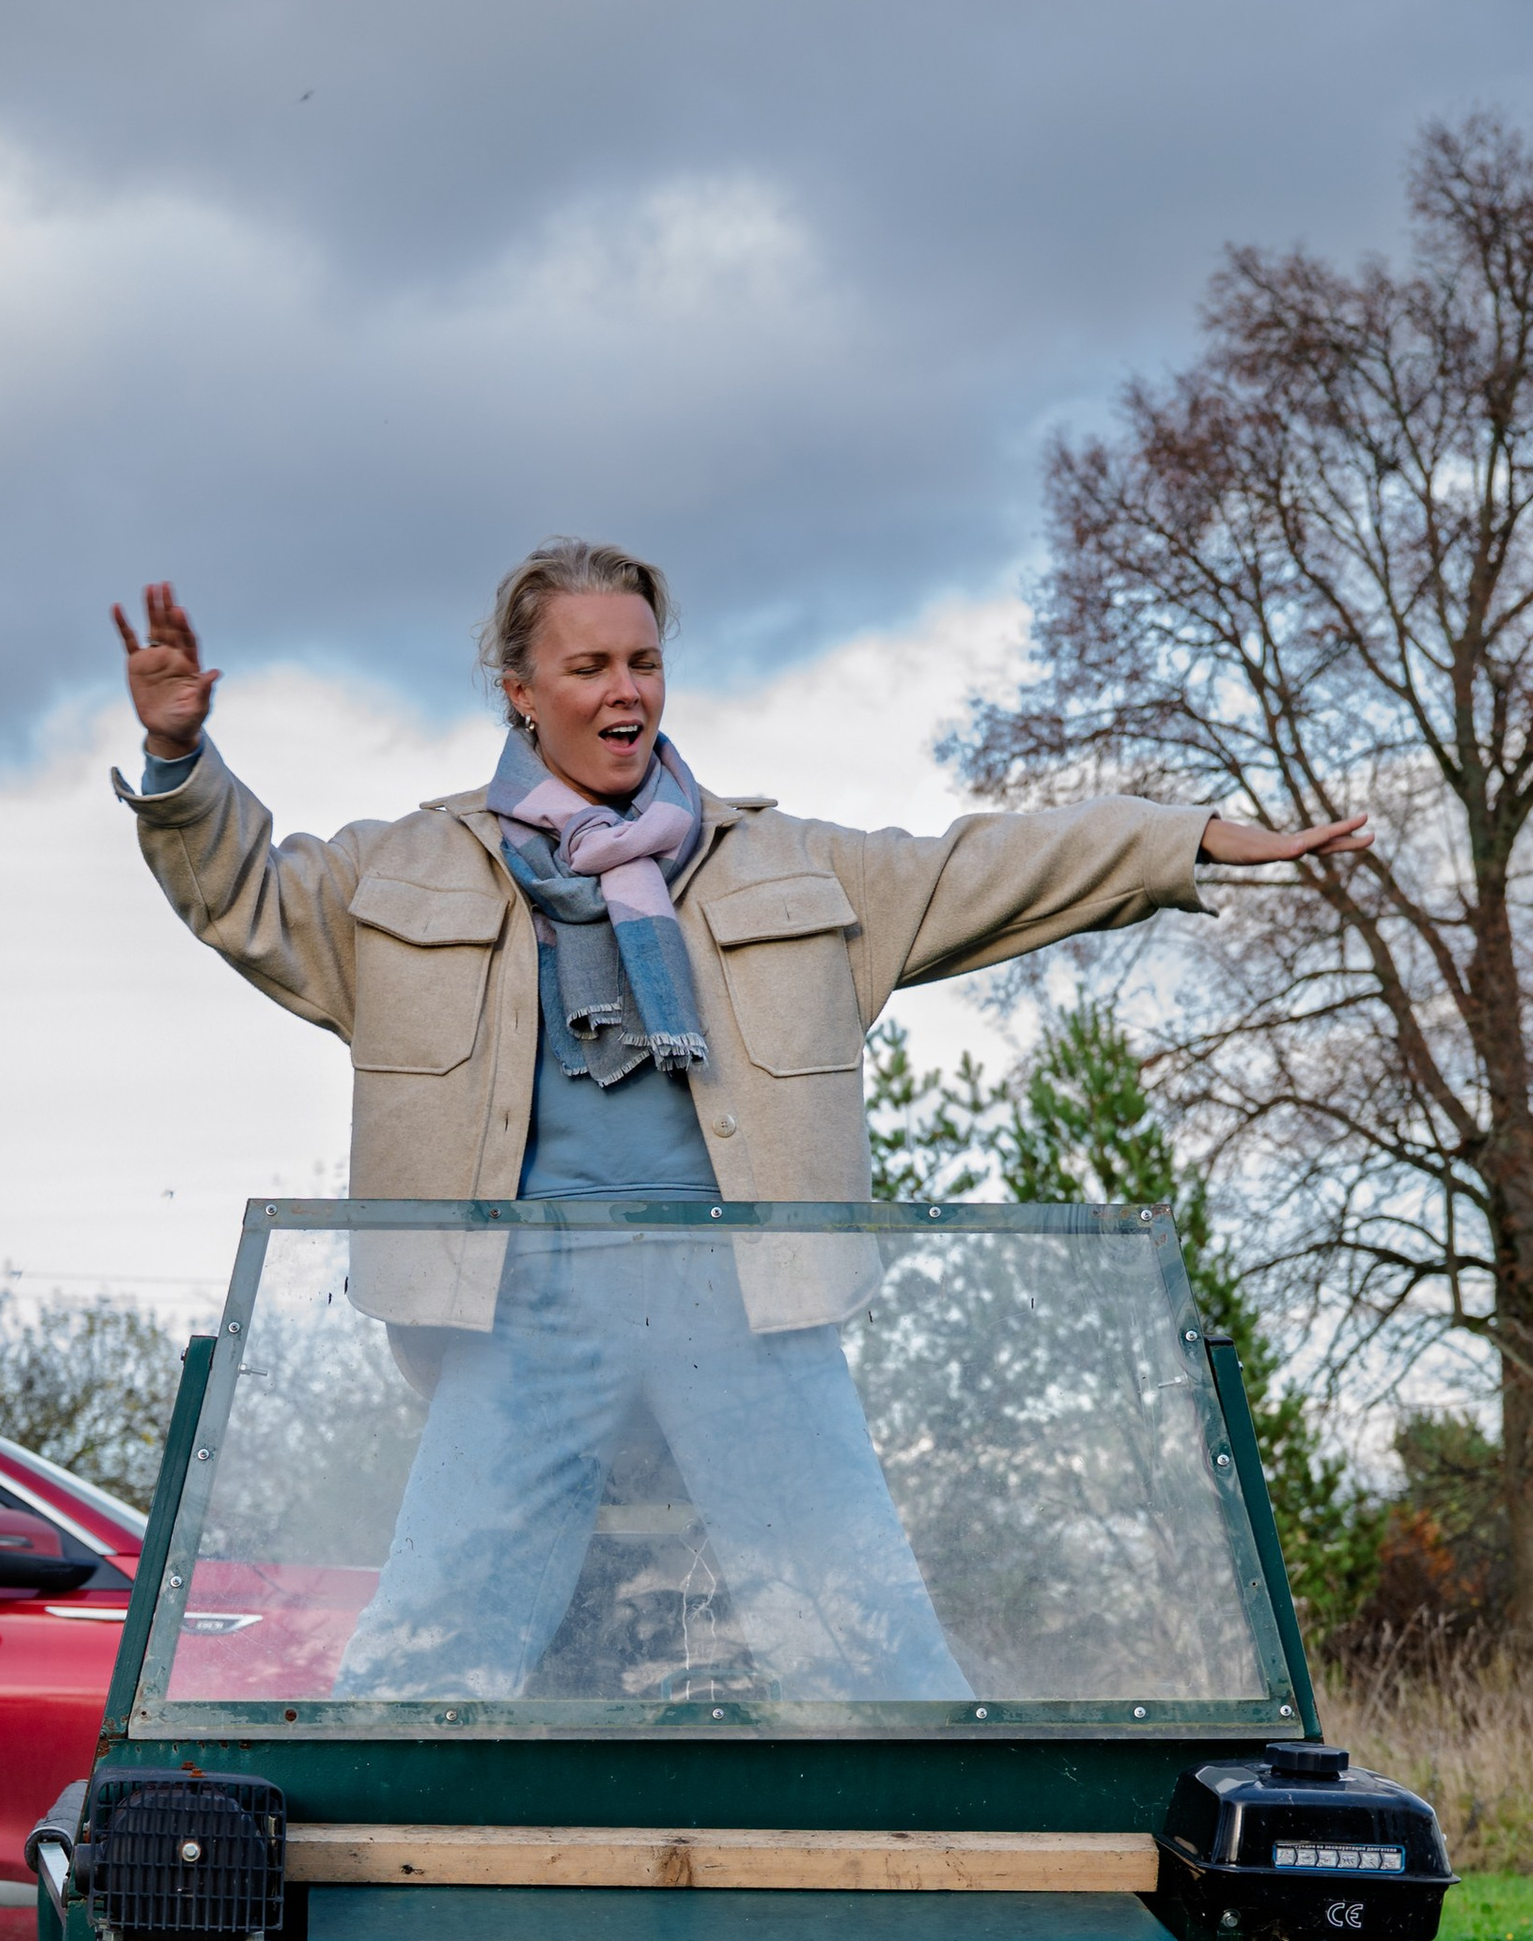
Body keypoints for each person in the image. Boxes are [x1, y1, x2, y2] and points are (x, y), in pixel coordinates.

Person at [113, 540, 1365, 1702]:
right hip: (520, 1309)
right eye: (590, 664)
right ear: (519, 690)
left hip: (747, 1301)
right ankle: (387, 1908)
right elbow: (247, 895)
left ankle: (950, 1892)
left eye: (644, 660)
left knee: (867, 1647)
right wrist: (180, 763)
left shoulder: (779, 863)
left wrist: (1183, 840)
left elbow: (985, 864)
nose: (627, 689)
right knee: (430, 1652)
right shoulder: (406, 872)